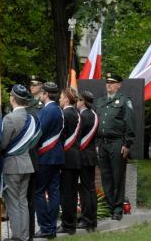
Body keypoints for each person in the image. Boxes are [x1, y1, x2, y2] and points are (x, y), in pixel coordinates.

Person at [95, 73, 136, 220]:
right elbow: (96, 124)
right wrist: (96, 144)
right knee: (106, 177)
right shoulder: (100, 102)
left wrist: (127, 143)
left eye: (112, 83)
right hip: (102, 143)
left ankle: (118, 209)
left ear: (119, 85)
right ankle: (110, 206)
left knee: (117, 176)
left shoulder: (125, 101)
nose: (109, 85)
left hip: (117, 143)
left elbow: (130, 123)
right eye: (107, 82)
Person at [0, 84, 35, 241]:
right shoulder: (31, 117)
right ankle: (25, 235)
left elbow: (3, 144)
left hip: (12, 165)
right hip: (26, 163)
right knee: (23, 202)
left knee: (13, 202)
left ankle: (17, 236)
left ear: (13, 98)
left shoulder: (10, 118)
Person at [34, 82, 64, 239]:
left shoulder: (47, 111)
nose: (40, 95)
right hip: (56, 156)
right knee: (53, 192)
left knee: (38, 192)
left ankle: (45, 227)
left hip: (45, 156)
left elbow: (39, 132)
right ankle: (51, 226)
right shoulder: (59, 109)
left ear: (46, 94)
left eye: (41, 92)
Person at [57, 87, 81, 235]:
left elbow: (60, 136)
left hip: (66, 158)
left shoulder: (64, 114)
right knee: (72, 193)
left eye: (61, 97)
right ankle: (71, 223)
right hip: (76, 157)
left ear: (66, 99)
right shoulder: (77, 114)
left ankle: (67, 224)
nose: (59, 99)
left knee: (66, 193)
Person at [76, 91, 98, 231]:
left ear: (83, 101)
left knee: (85, 190)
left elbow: (77, 136)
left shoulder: (82, 117)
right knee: (90, 189)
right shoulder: (94, 115)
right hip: (90, 156)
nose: (76, 102)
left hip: (83, 156)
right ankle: (92, 218)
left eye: (78, 100)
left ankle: (86, 219)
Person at [25, 77, 43, 241]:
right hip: (27, 154)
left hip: (38, 154)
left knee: (32, 195)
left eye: (35, 84)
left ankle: (30, 231)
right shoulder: (27, 104)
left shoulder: (41, 106)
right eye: (31, 84)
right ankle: (26, 231)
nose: (31, 87)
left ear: (41, 87)